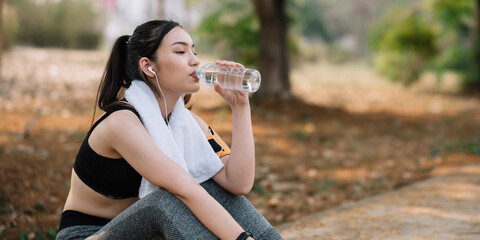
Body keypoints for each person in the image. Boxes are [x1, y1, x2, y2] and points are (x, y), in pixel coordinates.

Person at [55, 20, 282, 240]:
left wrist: (240, 107)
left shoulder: (187, 124)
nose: (195, 61)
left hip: (146, 234)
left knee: (210, 185)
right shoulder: (122, 122)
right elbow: (185, 190)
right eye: (181, 52)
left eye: (194, 51)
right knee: (168, 198)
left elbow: (238, 183)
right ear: (148, 66)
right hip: (90, 235)